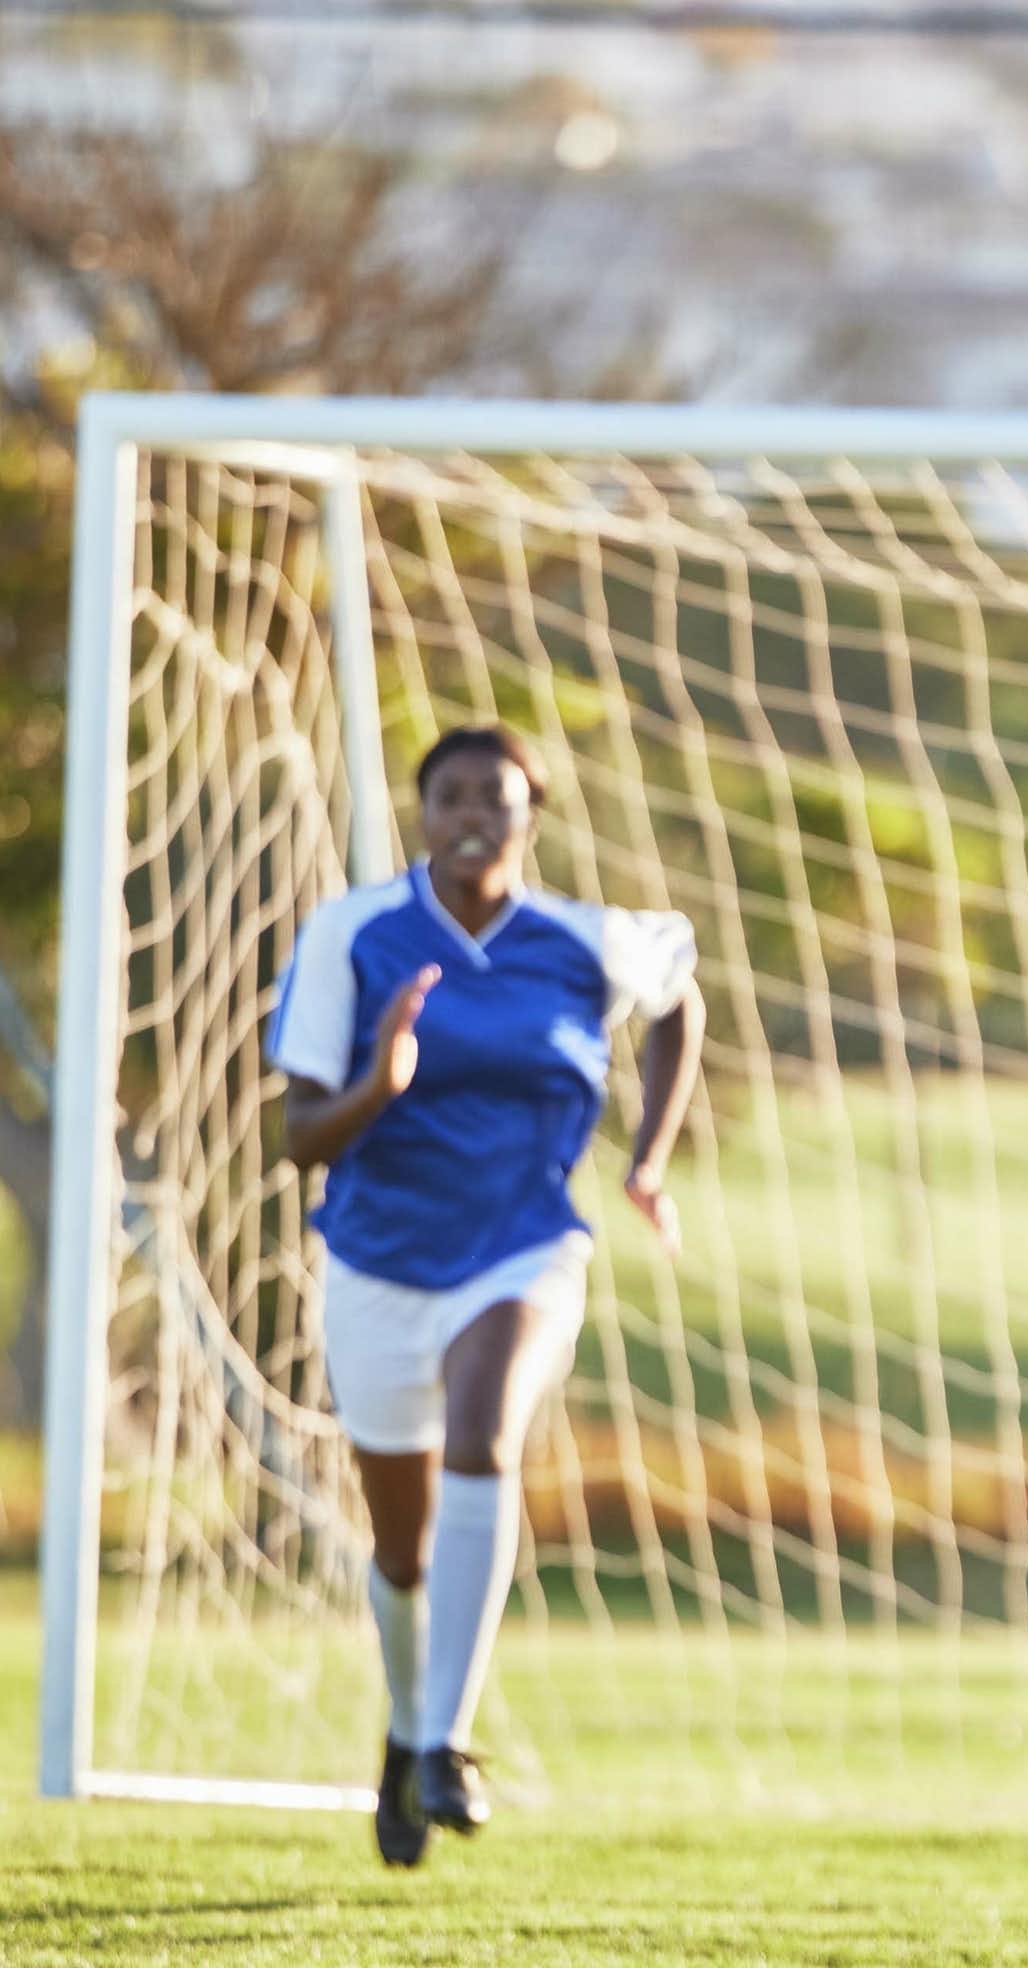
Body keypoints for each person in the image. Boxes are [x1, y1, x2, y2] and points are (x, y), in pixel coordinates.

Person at [272, 725, 704, 1866]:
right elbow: (299, 1133)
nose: (474, 812)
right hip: (376, 1264)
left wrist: (646, 1156)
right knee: (402, 1549)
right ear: (423, 810)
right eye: (451, 793)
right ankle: (407, 1733)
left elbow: (679, 996)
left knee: (485, 1433)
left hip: (523, 1250)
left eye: (497, 798)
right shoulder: (351, 934)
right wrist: (381, 1081)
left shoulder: (578, 939)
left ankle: (447, 1744)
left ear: (531, 816)